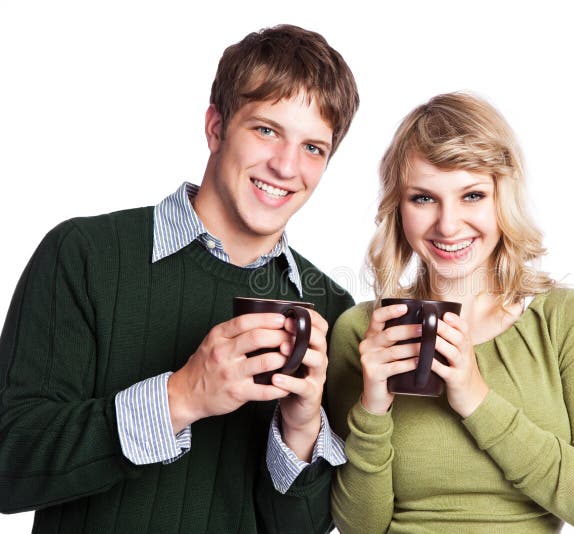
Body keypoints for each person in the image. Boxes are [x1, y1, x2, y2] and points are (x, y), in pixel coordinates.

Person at [0, 24, 358, 533]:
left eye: (313, 148)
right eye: (266, 130)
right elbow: (9, 464)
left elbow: (301, 527)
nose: (285, 166)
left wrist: (300, 430)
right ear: (215, 128)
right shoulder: (84, 255)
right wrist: (182, 397)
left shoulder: (330, 307)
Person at [328, 92, 574, 533]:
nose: (448, 225)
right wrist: (372, 409)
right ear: (398, 208)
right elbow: (361, 528)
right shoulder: (363, 332)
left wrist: (476, 398)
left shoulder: (568, 320)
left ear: (502, 200)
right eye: (423, 198)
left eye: (472, 195)